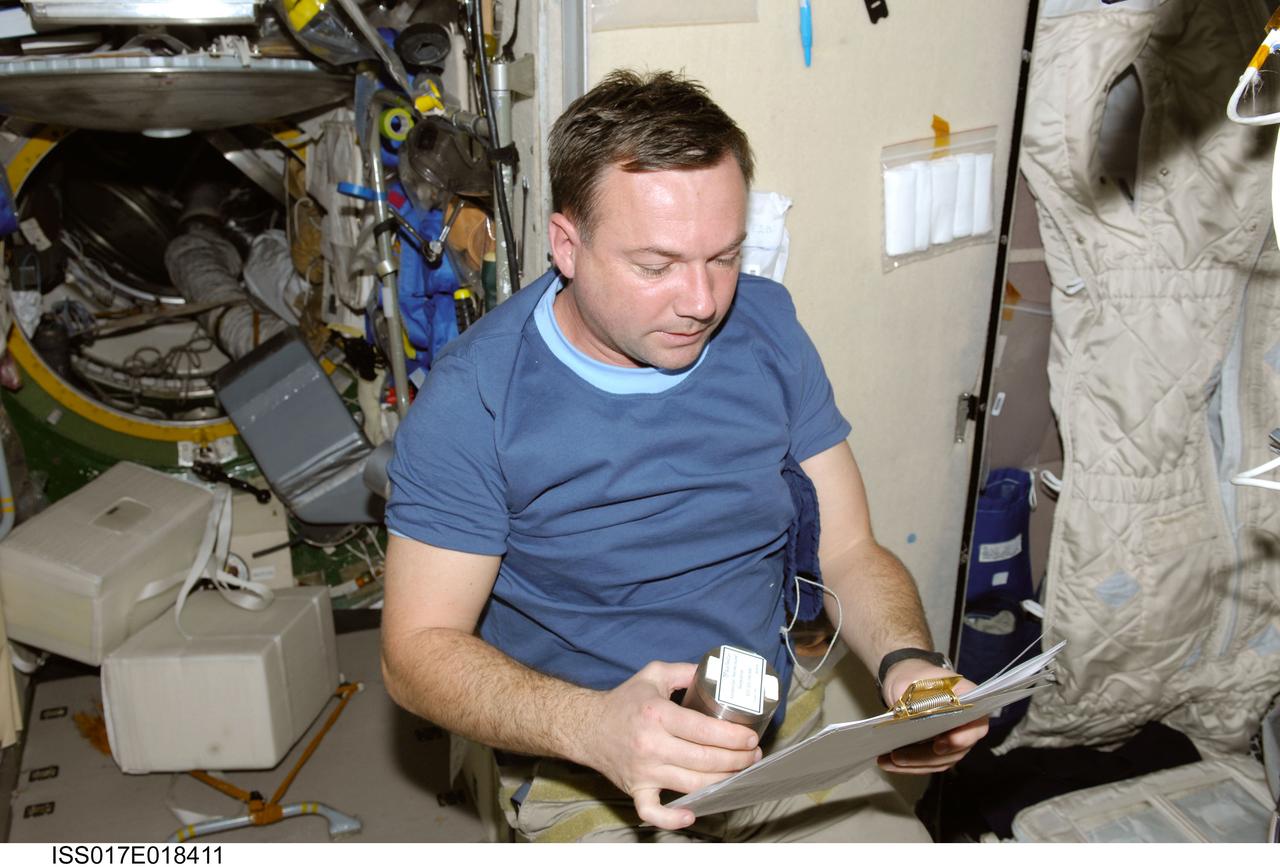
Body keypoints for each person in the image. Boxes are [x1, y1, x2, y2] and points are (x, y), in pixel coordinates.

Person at [381, 69, 987, 842]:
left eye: (724, 256)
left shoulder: (767, 328)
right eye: (656, 265)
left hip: (769, 720)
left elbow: (848, 549)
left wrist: (908, 664)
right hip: (583, 755)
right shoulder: (476, 401)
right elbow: (415, 651)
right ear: (567, 244)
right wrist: (595, 726)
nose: (702, 300)